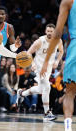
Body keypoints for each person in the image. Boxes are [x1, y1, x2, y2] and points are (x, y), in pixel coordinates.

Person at [16, 24, 64, 121]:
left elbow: (61, 51)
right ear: (45, 32)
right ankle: (47, 113)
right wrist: (32, 63)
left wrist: (57, 61)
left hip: (49, 68)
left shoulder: (58, 40)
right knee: (47, 87)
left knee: (41, 89)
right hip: (39, 67)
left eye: (51, 31)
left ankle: (22, 93)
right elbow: (28, 53)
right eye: (48, 31)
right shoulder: (39, 41)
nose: (50, 33)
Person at [40, 0, 75, 130]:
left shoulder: (68, 2)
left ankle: (68, 128)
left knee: (70, 93)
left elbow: (57, 33)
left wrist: (46, 60)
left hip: (74, 48)